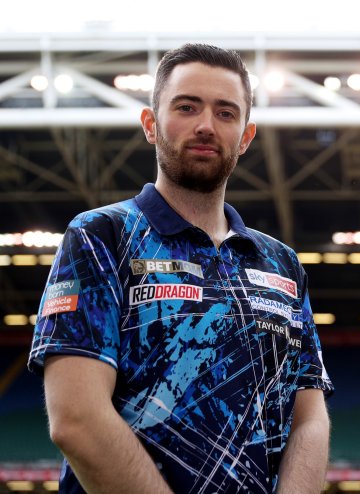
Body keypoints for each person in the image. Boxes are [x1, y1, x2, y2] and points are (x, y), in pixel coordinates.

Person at [28, 43, 332, 494]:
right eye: (187, 107)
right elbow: (75, 419)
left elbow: (309, 416)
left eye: (226, 113)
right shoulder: (101, 236)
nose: (206, 125)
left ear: (246, 137)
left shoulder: (281, 263)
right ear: (151, 125)